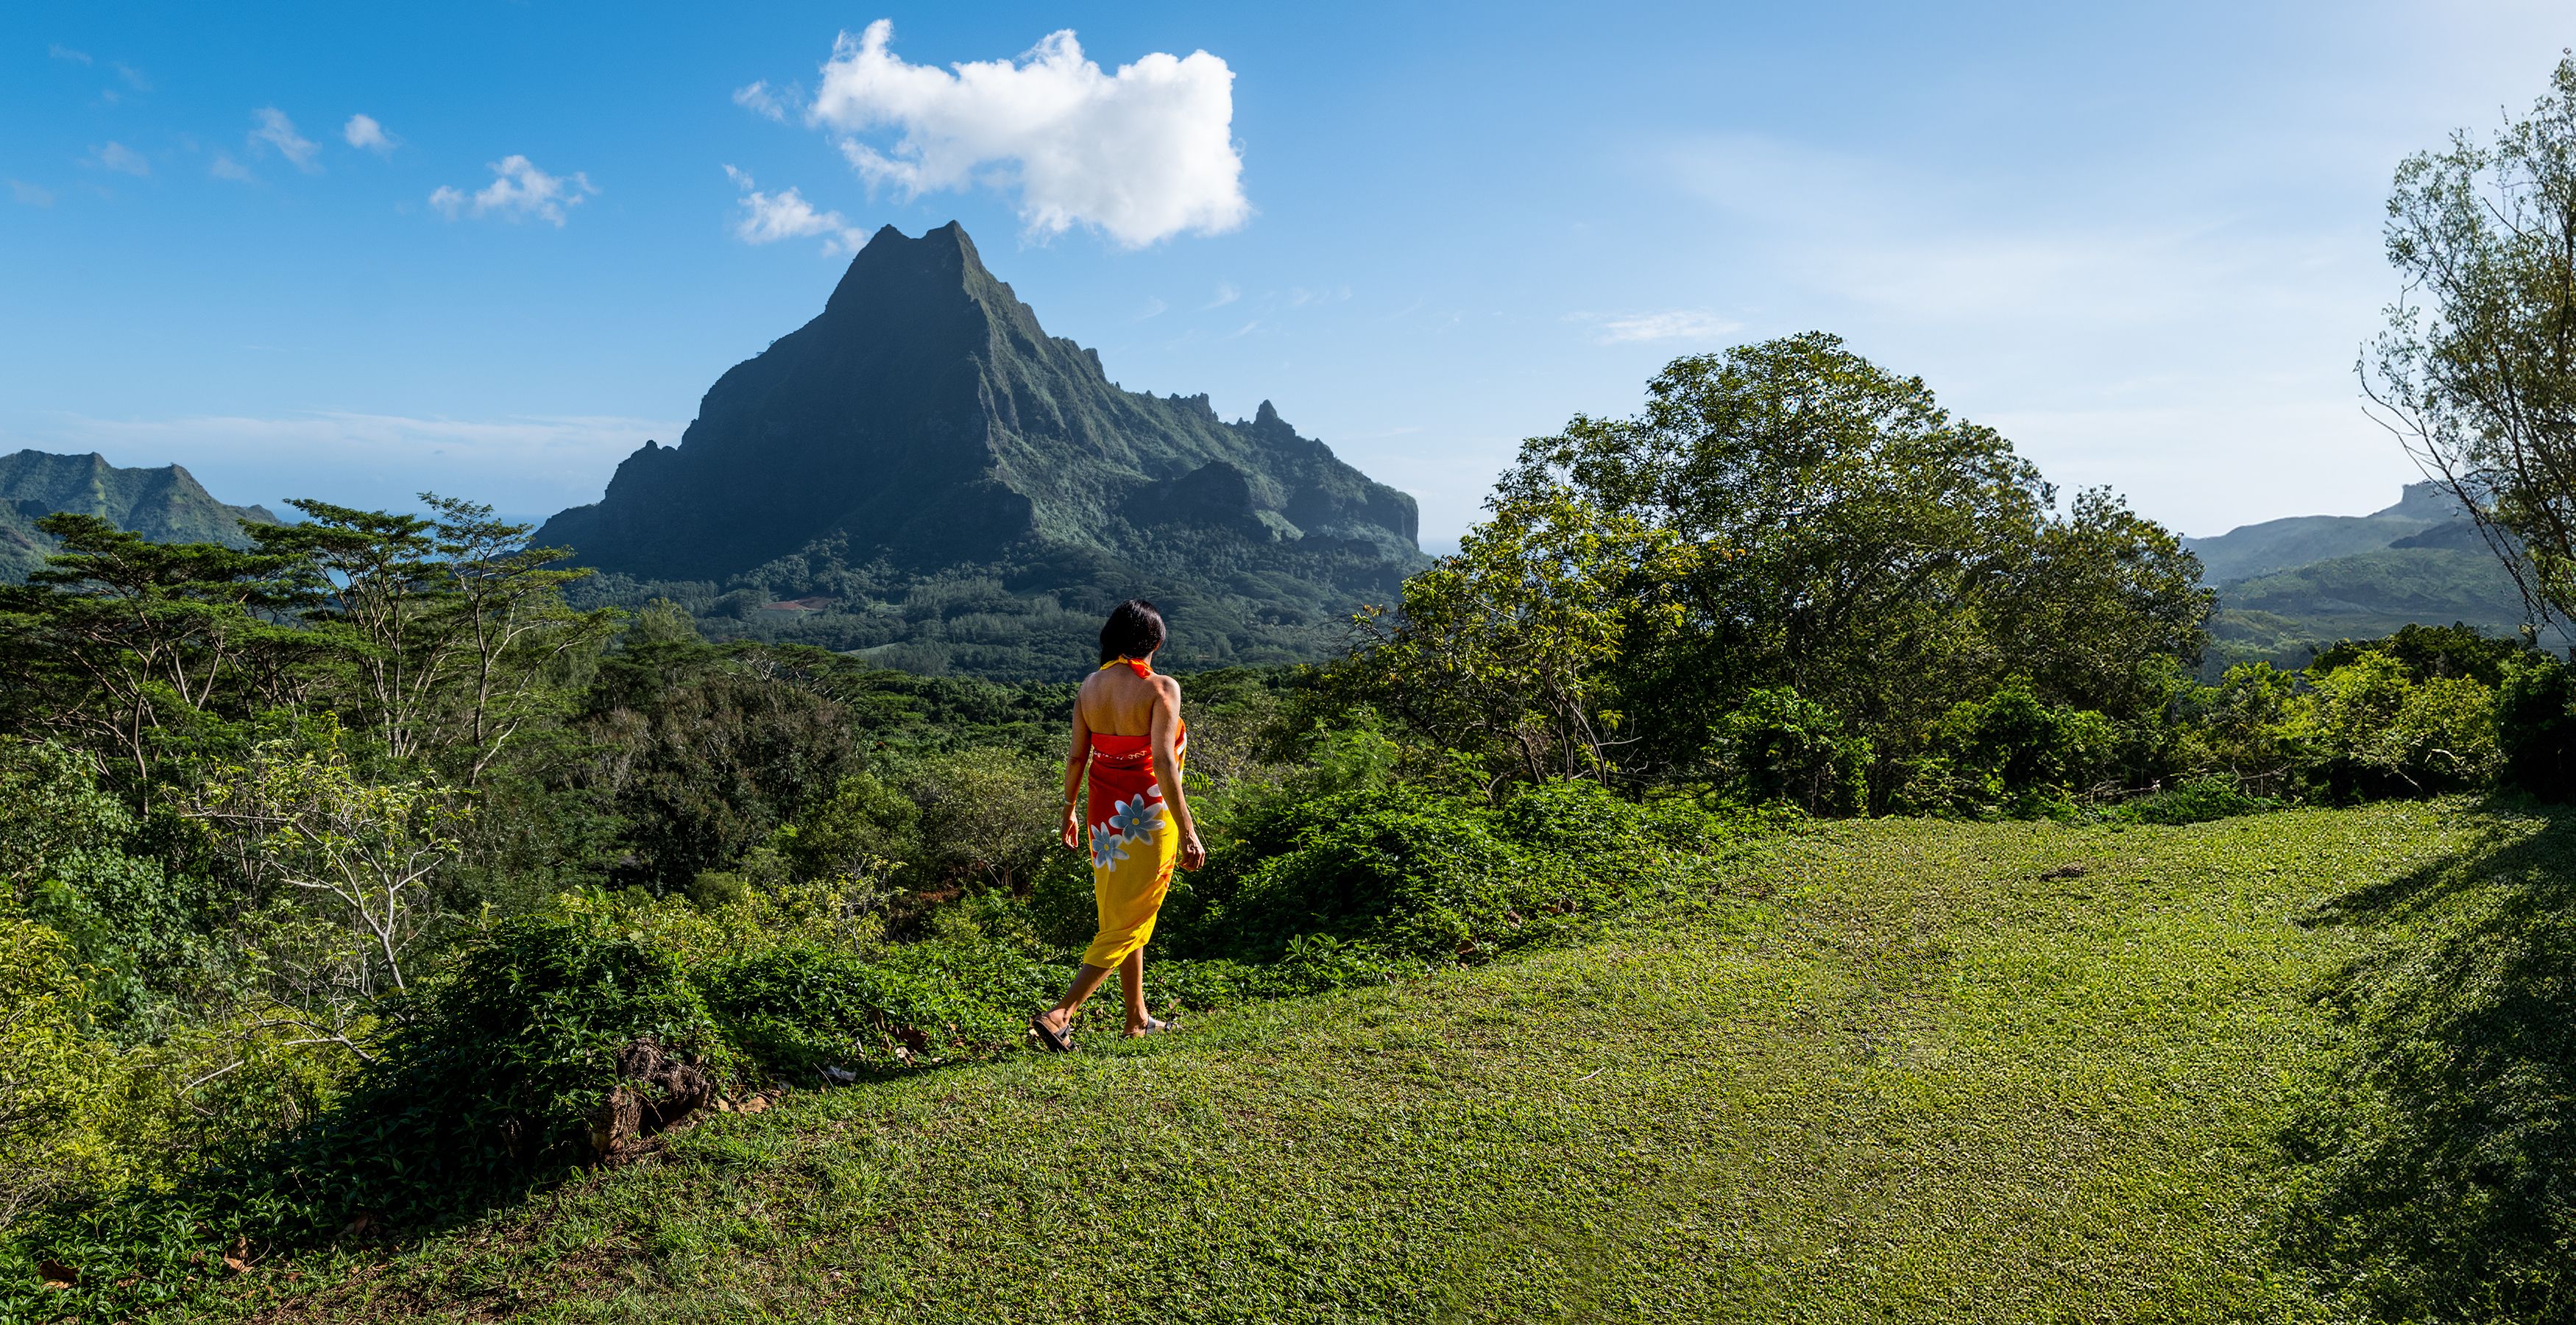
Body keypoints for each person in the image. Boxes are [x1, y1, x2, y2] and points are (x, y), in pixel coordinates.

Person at [1030, 599, 1206, 1051]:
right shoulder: (1161, 688)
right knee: (1131, 916)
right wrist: (1188, 828)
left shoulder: (1090, 686)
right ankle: (1060, 1013)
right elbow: (1165, 762)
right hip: (1147, 816)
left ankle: (1137, 1018)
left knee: (1122, 912)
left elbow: (1076, 757)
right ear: (1156, 642)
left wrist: (1068, 808)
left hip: (1104, 815)